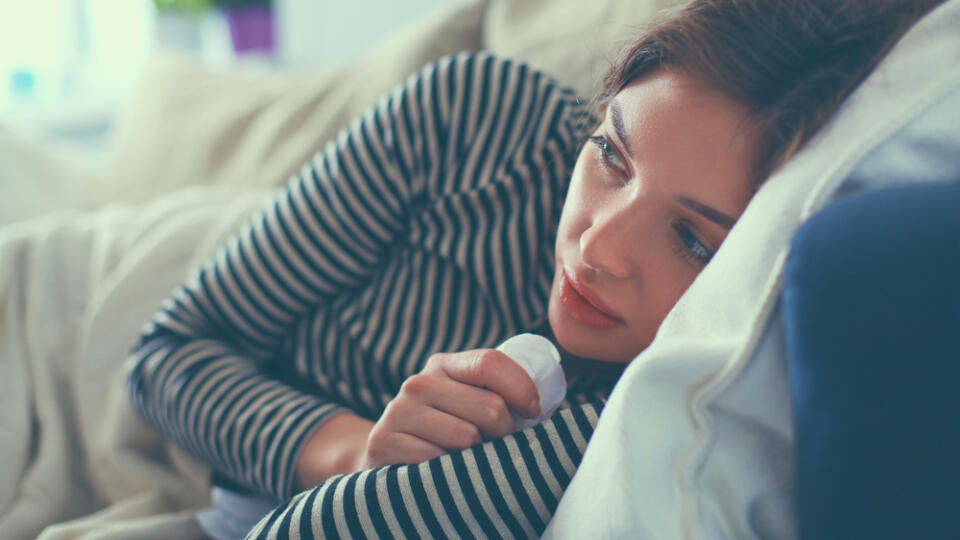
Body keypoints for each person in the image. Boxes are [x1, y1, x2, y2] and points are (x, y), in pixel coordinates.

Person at [125, 0, 941, 537]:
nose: (597, 249)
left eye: (694, 241)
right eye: (612, 157)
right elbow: (165, 351)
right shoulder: (469, 122)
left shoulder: (663, 420)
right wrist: (351, 450)